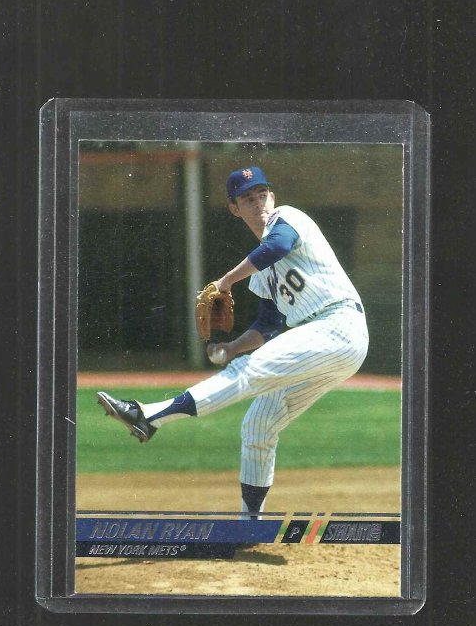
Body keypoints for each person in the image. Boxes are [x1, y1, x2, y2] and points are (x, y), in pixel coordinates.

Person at [97, 165, 369, 518]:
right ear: (234, 208)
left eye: (262, 194)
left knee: (248, 371)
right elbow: (268, 325)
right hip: (324, 343)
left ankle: (147, 416)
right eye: (248, 198)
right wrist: (231, 347)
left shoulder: (288, 218)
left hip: (338, 323)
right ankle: (250, 522)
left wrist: (225, 281)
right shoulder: (262, 271)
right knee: (258, 424)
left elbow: (277, 246)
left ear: (273, 196)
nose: (258, 203)